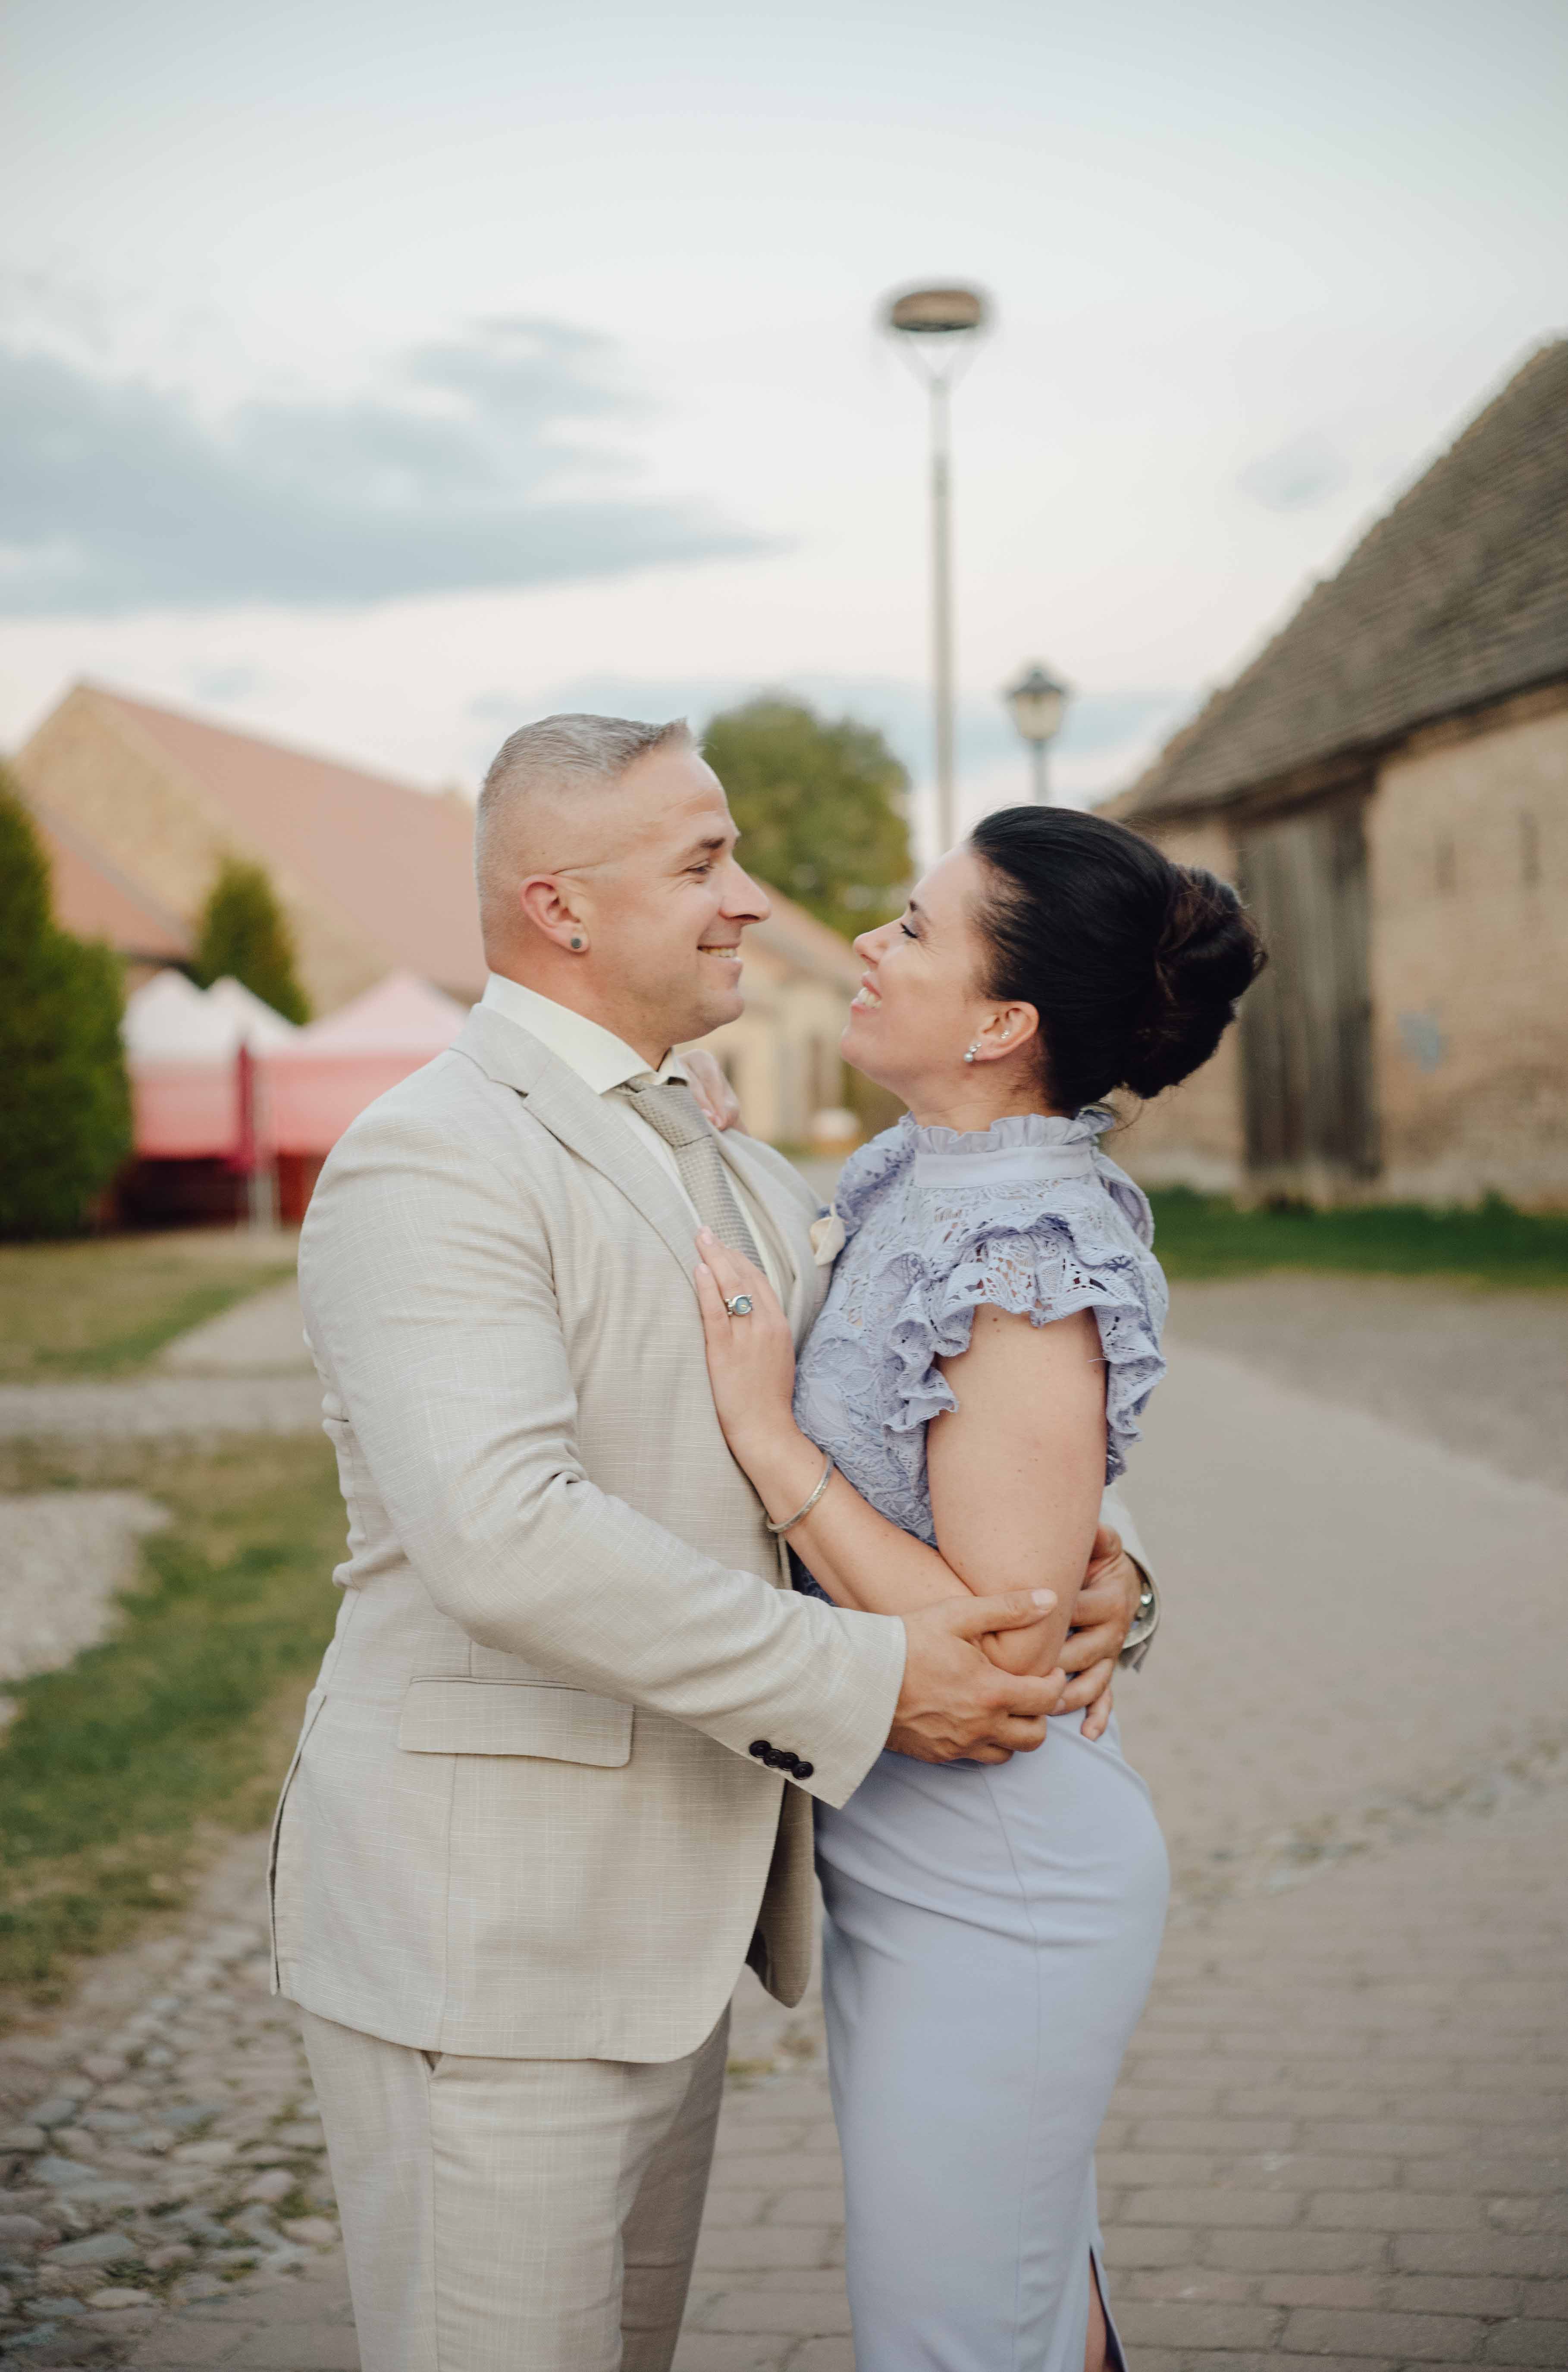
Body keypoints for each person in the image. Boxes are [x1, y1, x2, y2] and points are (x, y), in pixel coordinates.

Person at [268, 718, 1148, 2372]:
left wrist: (1100, 1574)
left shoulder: (737, 1161)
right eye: (701, 865)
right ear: (561, 908)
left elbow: (916, 1424)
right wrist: (883, 1674)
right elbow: (504, 1537)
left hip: (664, 1933)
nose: (752, 898)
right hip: (487, 1942)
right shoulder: (432, 1156)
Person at [693, 803, 1265, 2372]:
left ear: (1006, 1022)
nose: (868, 945)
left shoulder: (1012, 1235)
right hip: (924, 1852)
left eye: (913, 929)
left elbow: (1000, 1643)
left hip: (995, 1871)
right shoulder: (928, 1179)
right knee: (1023, 2301)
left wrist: (764, 1440)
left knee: (955, 2334)